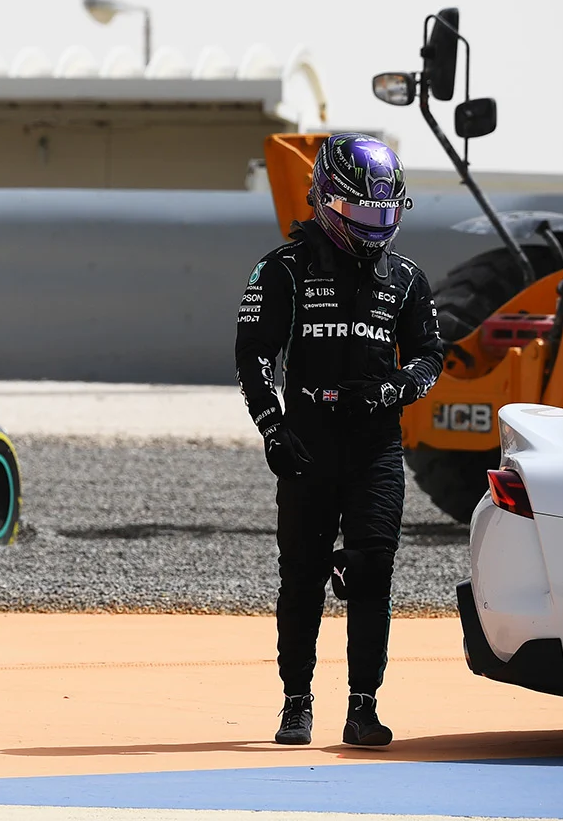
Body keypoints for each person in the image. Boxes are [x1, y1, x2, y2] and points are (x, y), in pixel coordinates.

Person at [234, 134, 444, 749]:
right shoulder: (282, 270)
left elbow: (432, 354)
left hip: (376, 448)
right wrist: (272, 429)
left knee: (373, 570)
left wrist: (399, 387)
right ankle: (295, 703)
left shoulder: (406, 278)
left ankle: (363, 708)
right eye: (364, 213)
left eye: (388, 214)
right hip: (307, 447)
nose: (378, 226)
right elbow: (253, 356)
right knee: (300, 576)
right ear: (327, 202)